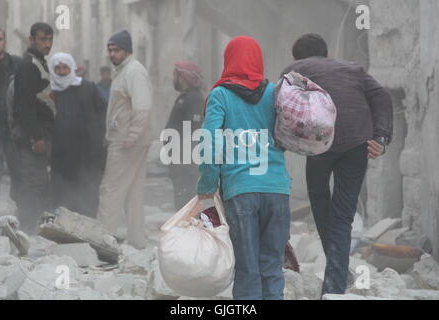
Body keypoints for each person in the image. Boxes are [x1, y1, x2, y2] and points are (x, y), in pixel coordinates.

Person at [281, 33, 393, 296]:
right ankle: (337, 278)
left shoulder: (293, 70)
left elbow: (281, 104)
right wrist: (381, 137)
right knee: (343, 216)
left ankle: (336, 279)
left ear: (297, 58)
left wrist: (282, 140)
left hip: (319, 144)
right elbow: (382, 97)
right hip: (357, 143)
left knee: (320, 199)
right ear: (327, 54)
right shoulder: (354, 69)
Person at [197, 36, 292, 300]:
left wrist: (206, 185)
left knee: (248, 268)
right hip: (277, 189)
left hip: (240, 191)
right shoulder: (275, 92)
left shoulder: (220, 95)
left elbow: (210, 142)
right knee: (272, 268)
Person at [97, 30, 153, 249]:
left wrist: (132, 135)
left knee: (111, 189)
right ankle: (137, 240)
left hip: (127, 142)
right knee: (132, 191)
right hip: (127, 139)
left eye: (117, 50)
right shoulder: (123, 71)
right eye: (110, 50)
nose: (112, 54)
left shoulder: (133, 71)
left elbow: (142, 106)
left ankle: (103, 240)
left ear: (127, 50)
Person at [49, 52, 107, 218]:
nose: (61, 72)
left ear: (72, 68)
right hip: (60, 154)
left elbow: (103, 109)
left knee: (87, 192)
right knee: (62, 195)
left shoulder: (87, 87)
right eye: (57, 68)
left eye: (65, 68)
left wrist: (97, 131)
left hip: (87, 151)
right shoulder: (49, 91)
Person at [13, 22, 55, 234]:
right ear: (31, 40)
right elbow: (25, 106)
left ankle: (32, 230)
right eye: (42, 39)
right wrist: (35, 137)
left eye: (49, 39)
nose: (46, 44)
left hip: (41, 134)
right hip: (33, 137)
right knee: (32, 183)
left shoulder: (40, 63)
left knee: (38, 182)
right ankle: (25, 232)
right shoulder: (29, 65)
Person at [165, 61, 204, 210]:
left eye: (175, 74)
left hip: (187, 167)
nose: (173, 78)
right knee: (182, 209)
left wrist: (185, 162)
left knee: (187, 211)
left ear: (183, 77)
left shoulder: (193, 99)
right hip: (181, 165)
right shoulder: (186, 97)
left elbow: (195, 131)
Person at [0, 27, 21, 200]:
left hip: (12, 128)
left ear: (4, 41)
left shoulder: (16, 64)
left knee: (17, 171)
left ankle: (17, 215)